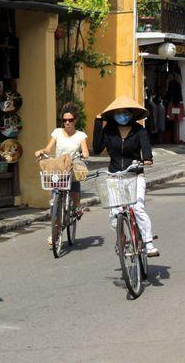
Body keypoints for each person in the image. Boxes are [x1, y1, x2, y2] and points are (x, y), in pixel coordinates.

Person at [92, 95, 159, 257]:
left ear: (132, 114)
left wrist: (147, 159)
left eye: (126, 112)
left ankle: (148, 243)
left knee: (138, 208)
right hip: (114, 176)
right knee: (115, 214)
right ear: (113, 114)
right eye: (119, 112)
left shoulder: (139, 130)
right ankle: (121, 237)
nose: (122, 115)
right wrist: (98, 123)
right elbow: (97, 148)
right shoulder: (108, 131)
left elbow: (146, 149)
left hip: (135, 175)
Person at [35, 102, 91, 246]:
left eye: (70, 120)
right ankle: (55, 232)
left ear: (75, 120)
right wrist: (42, 151)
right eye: (65, 120)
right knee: (56, 201)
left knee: (74, 183)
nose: (67, 123)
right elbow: (48, 148)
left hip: (72, 165)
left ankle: (77, 206)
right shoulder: (57, 132)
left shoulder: (80, 135)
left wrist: (84, 154)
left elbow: (85, 151)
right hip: (59, 167)